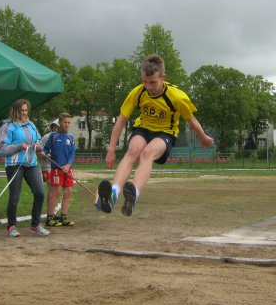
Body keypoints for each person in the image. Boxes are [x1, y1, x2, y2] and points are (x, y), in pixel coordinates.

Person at [95, 54, 214, 216]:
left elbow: (190, 119)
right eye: (145, 81)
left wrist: (203, 136)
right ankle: (113, 194)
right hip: (143, 129)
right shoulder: (138, 92)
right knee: (133, 151)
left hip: (165, 133)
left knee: (147, 153)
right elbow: (121, 120)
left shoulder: (177, 97)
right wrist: (111, 150)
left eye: (152, 82)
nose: (148, 86)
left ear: (163, 77)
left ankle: (133, 195)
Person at [0, 99, 49, 238]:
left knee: (40, 193)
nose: (24, 113)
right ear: (15, 111)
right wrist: (18, 146)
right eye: (22, 111)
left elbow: (39, 141)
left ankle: (35, 225)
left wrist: (39, 147)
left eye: (26, 110)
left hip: (32, 164)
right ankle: (12, 226)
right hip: (15, 165)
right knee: (14, 196)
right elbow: (1, 148)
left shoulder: (31, 125)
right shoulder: (7, 126)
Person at [42, 112, 76, 227]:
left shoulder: (71, 137)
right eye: (65, 122)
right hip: (56, 169)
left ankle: (63, 217)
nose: (67, 124)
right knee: (55, 192)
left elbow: (72, 154)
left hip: (68, 169)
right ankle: (50, 218)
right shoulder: (53, 136)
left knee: (68, 192)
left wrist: (68, 165)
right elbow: (46, 149)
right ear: (60, 123)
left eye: (69, 123)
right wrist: (43, 153)